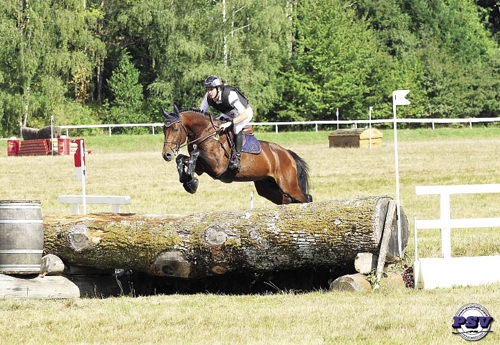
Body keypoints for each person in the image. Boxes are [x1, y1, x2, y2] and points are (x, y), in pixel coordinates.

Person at [200, 75, 253, 171]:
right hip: (229, 114)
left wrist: (230, 123)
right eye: (208, 89)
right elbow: (200, 114)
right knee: (215, 124)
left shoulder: (230, 94)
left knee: (236, 127)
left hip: (245, 113)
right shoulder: (208, 97)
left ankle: (237, 157)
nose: (209, 92)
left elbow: (244, 114)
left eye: (211, 89)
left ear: (218, 88)